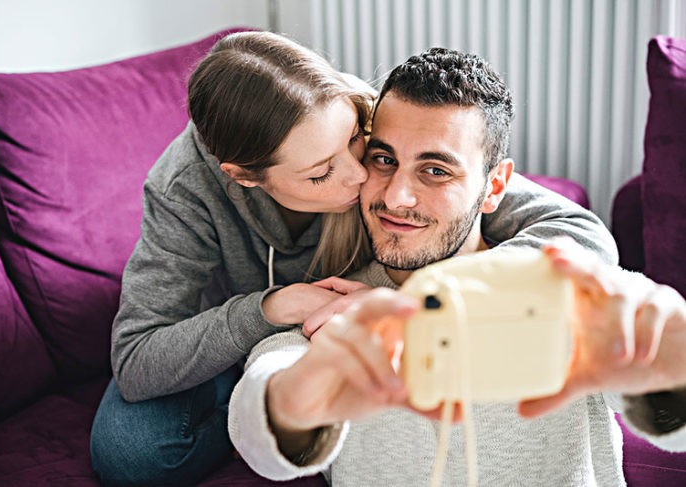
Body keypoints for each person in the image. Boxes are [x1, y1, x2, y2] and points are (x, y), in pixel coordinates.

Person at [89, 32, 617, 486]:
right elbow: (137, 361)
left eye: (361, 147)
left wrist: (416, 300)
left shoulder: (377, 116)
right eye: (321, 174)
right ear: (246, 177)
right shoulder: (185, 190)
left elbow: (571, 230)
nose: (366, 181)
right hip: (242, 325)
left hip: (345, 307)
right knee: (131, 450)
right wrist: (269, 310)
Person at [228, 47, 686, 486]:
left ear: (494, 188)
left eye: (435, 171)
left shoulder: (570, 295)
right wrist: (292, 405)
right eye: (384, 160)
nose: (395, 197)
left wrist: (671, 360)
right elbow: (259, 426)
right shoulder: (332, 316)